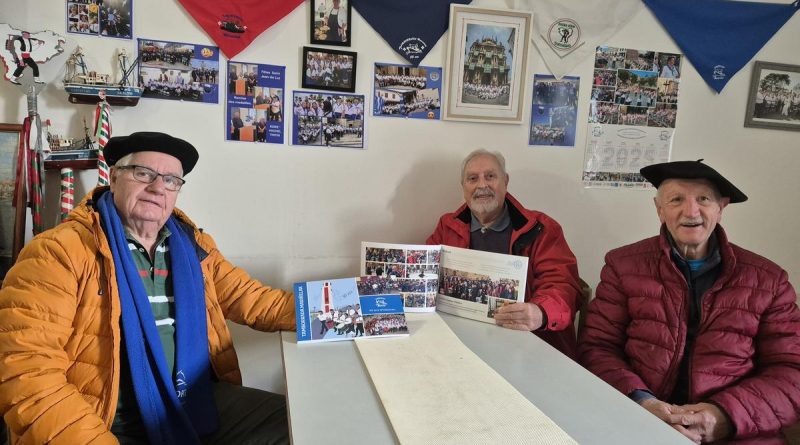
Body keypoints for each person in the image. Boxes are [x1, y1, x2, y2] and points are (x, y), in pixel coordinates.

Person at [0, 132, 295, 444]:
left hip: (193, 404)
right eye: (143, 174)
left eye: (171, 180)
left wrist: (347, 308)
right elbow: (28, 374)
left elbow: (260, 303)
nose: (157, 188)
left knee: (295, 423)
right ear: (113, 177)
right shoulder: (59, 251)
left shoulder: (194, 246)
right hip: (107, 420)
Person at [578, 160, 800, 444]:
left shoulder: (769, 280)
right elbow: (597, 348)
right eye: (676, 200)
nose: (691, 211)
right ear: (660, 210)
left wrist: (724, 416)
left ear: (721, 208)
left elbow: (791, 371)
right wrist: (640, 402)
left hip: (736, 430)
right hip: (638, 420)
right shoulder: (622, 265)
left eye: (703, 199)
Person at [426, 149, 583, 358]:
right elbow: (427, 273)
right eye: (473, 179)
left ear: (506, 181)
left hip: (527, 347)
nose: (482, 185)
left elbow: (564, 285)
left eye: (490, 176)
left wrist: (540, 312)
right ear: (463, 187)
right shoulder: (447, 226)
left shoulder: (542, 228)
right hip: (463, 344)